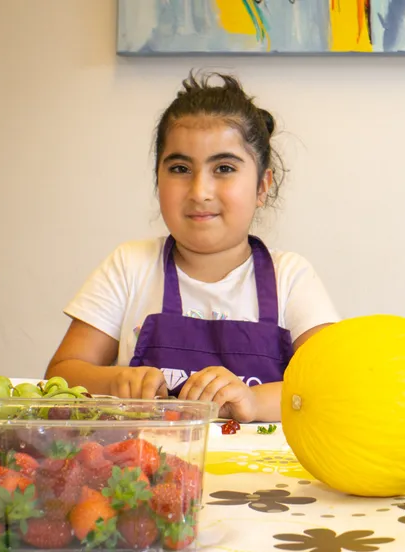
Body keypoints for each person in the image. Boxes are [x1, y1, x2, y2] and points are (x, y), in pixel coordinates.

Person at [46, 72, 339, 422]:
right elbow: (60, 375)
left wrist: (252, 401)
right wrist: (116, 380)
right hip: (148, 470)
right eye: (181, 168)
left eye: (224, 168)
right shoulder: (129, 266)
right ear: (158, 180)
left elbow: (333, 386)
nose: (200, 191)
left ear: (262, 186)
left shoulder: (291, 277)